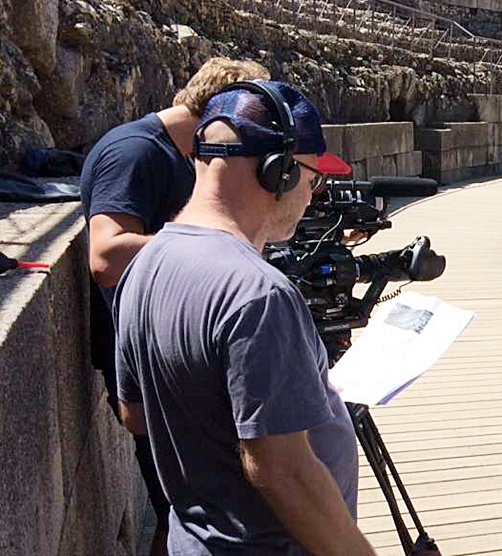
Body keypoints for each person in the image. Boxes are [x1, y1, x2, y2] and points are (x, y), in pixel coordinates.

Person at [113, 79, 375, 555]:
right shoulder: (258, 294)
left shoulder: (145, 264)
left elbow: (135, 414)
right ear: (278, 172)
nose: (313, 195)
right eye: (312, 178)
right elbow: (281, 471)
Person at [78, 57, 270, 556]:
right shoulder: (136, 152)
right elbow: (105, 255)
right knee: (187, 513)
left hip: (168, 354)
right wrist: (217, 244)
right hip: (150, 362)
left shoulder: (172, 152)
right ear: (223, 113)